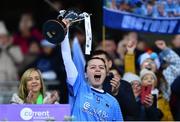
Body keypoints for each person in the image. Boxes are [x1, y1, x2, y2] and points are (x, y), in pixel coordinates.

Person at [61, 23, 123, 120]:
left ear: (106, 73)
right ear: (85, 74)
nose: (97, 69)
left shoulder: (113, 102)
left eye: (101, 67)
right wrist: (65, 30)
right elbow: (67, 59)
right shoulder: (79, 88)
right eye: (93, 67)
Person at [91, 50, 138, 120]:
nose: (98, 66)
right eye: (94, 63)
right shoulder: (85, 86)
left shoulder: (124, 85)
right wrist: (68, 119)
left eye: (102, 61)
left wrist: (116, 94)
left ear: (109, 64)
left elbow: (132, 112)